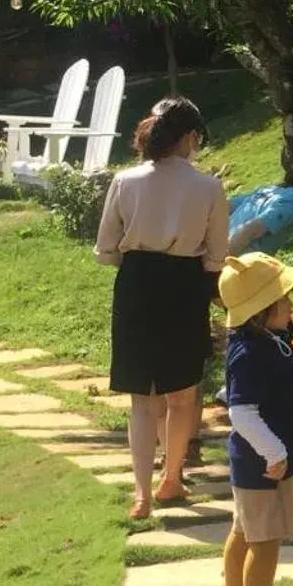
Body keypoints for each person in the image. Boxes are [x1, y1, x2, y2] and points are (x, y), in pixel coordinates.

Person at [95, 96, 228, 520]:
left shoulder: (125, 180)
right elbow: (216, 256)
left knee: (141, 398)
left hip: (136, 282)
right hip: (186, 283)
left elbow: (106, 249)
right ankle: (171, 478)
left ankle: (141, 493)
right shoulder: (208, 186)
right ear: (189, 137)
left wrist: (139, 259)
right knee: (183, 392)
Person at [216, 252, 293, 586]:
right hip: (265, 466)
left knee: (244, 530)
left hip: (257, 465)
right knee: (265, 540)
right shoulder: (251, 352)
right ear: (261, 308)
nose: (291, 304)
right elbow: (241, 412)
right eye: (284, 298)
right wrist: (275, 453)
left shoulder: (266, 340)